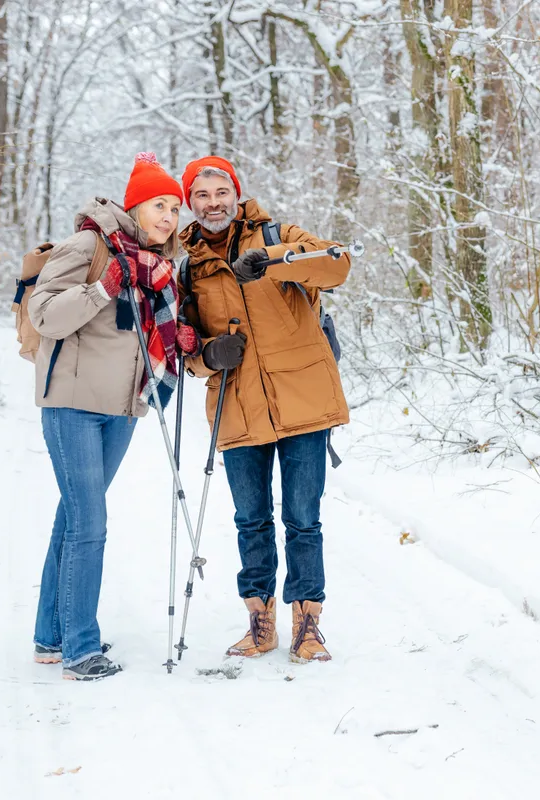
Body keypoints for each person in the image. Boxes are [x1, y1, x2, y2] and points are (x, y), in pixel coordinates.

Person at [28, 153, 199, 681]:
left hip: (123, 409)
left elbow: (151, 335)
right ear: (134, 206)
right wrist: (105, 285)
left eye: (175, 208)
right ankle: (81, 650)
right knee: (90, 524)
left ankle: (50, 637)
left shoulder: (159, 266)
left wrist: (181, 345)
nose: (169, 217)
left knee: (74, 518)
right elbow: (45, 314)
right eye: (158, 206)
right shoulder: (90, 246)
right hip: (72, 405)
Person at [178, 156, 350, 664]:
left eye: (221, 192)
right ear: (192, 203)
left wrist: (274, 258)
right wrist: (207, 356)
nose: (214, 204)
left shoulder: (277, 233)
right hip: (237, 405)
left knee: (303, 519)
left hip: (303, 400)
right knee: (251, 520)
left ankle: (308, 625)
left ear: (236, 193)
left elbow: (337, 263)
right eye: (202, 196)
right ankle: (260, 622)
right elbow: (181, 342)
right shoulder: (187, 266)